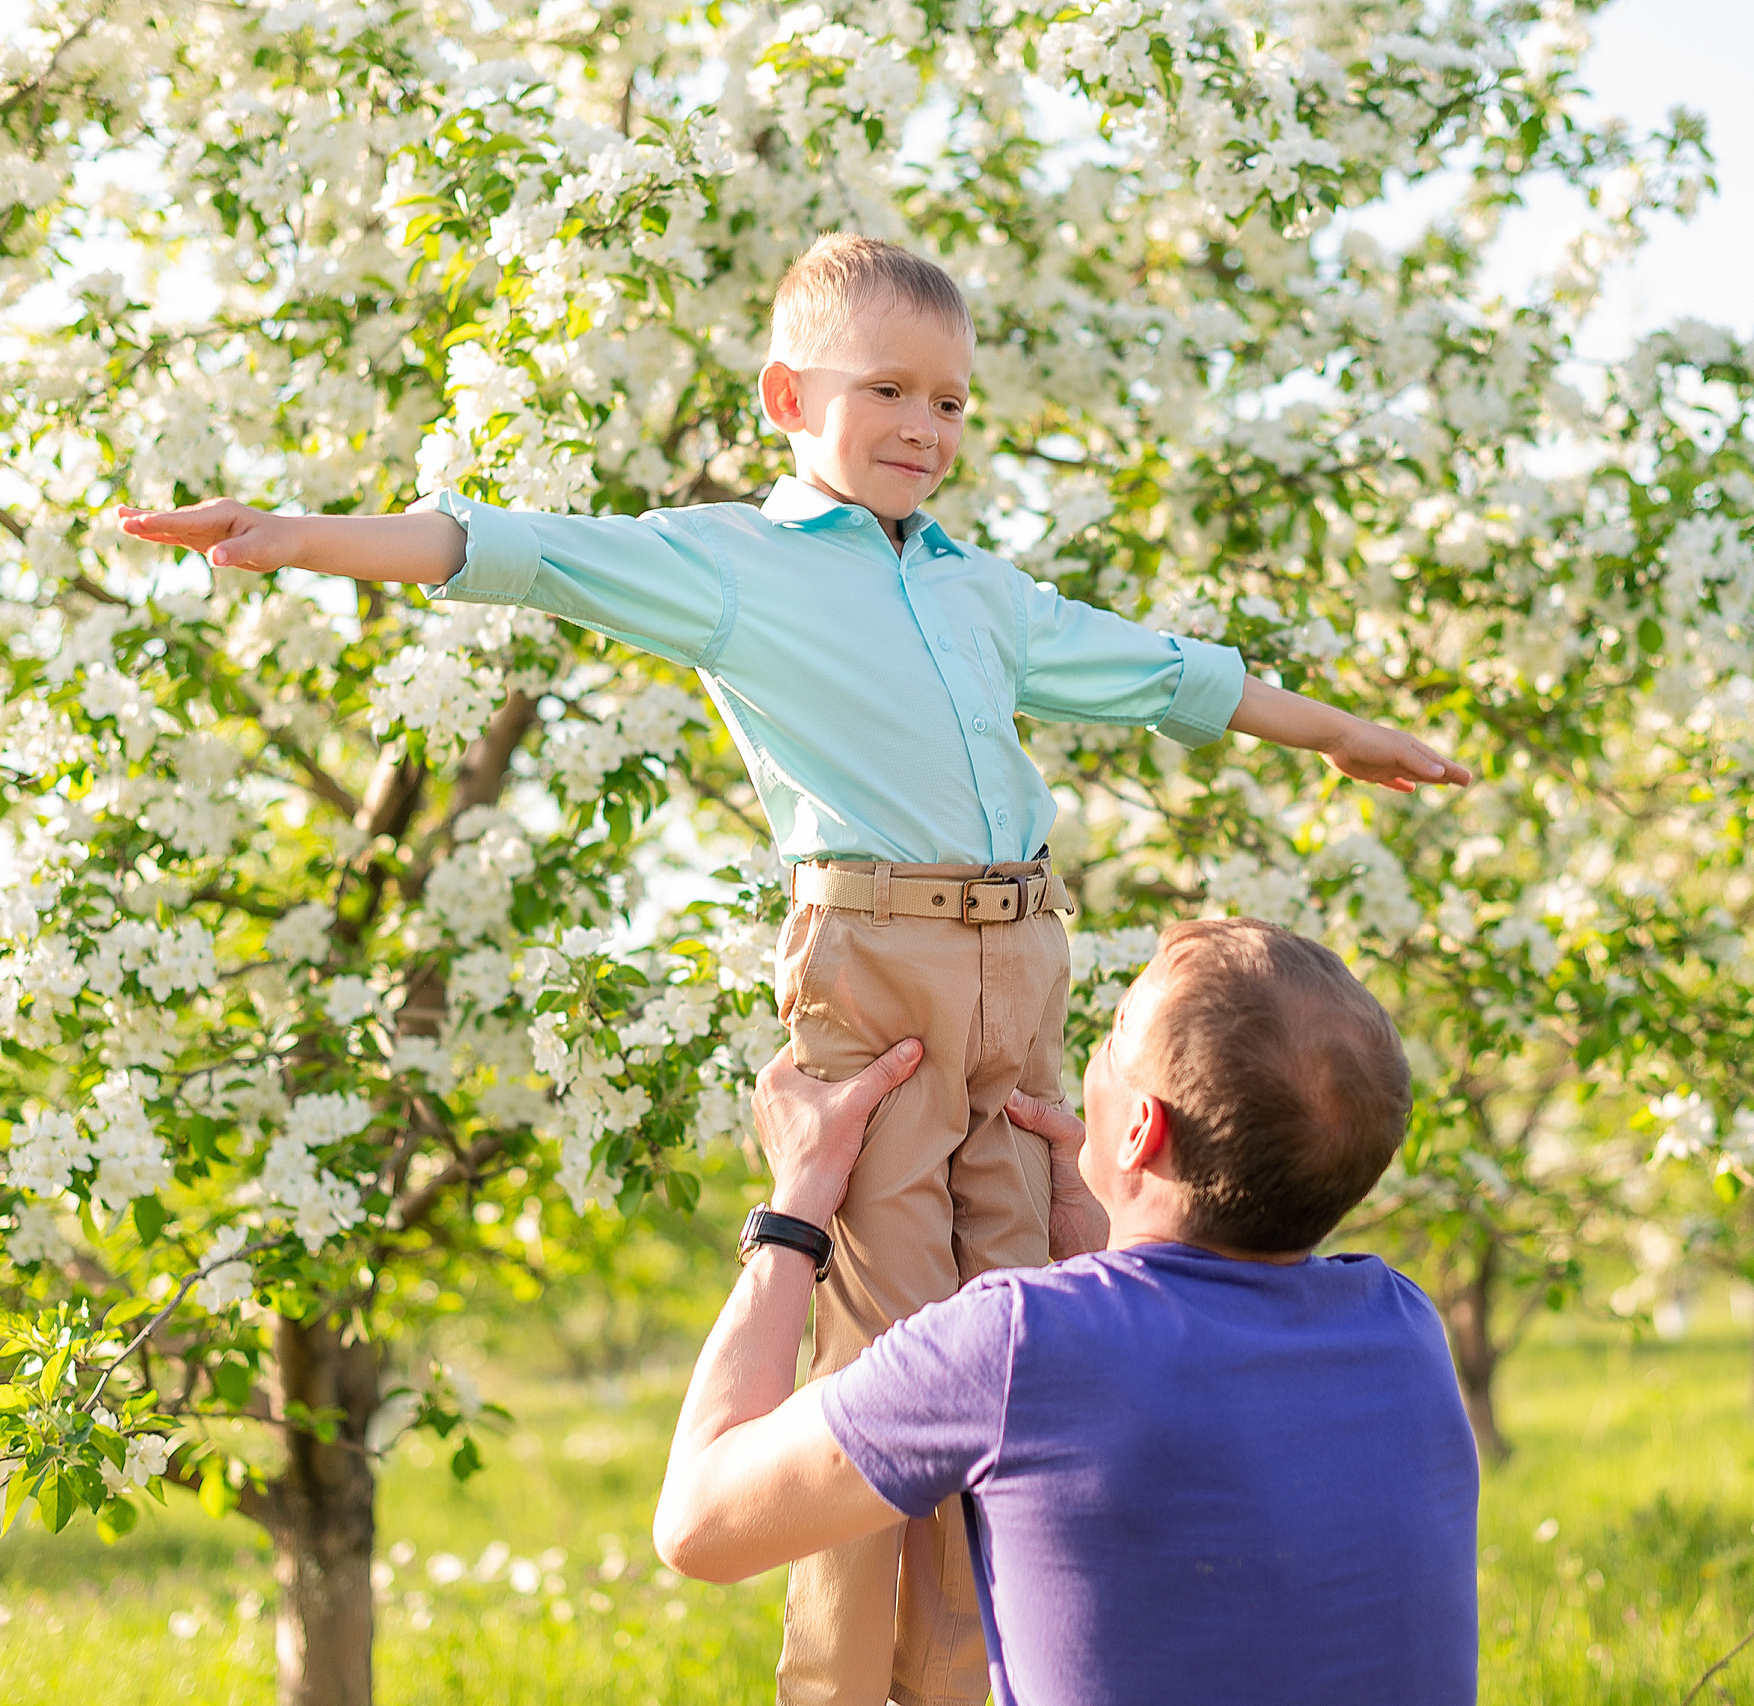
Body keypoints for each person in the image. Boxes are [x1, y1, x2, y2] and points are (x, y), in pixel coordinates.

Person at [115, 236, 1471, 1705]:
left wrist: (1339, 729)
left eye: (952, 403)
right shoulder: (733, 569)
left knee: (1013, 1320)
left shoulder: (981, 592)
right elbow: (509, 547)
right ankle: (849, 1685)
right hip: (878, 964)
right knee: (886, 1340)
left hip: (1019, 955)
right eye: (887, 388)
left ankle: (983, 1671)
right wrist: (298, 532)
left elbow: (1168, 672)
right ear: (785, 395)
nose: (925, 428)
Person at [654, 918, 1481, 1706]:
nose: (1094, 1052)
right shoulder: (1403, 1330)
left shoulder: (1018, 1346)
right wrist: (1109, 1249)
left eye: (1118, 1034)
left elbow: (698, 1522)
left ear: (1139, 1132)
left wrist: (796, 1203)